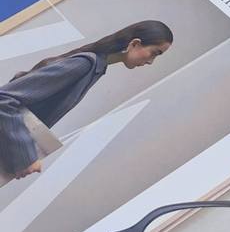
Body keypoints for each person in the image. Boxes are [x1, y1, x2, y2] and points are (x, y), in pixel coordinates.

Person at [0, 20, 173, 180]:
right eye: (154, 53)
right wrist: (26, 157)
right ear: (134, 43)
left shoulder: (94, 67)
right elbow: (5, 99)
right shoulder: (84, 64)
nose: (151, 62)